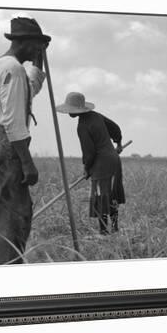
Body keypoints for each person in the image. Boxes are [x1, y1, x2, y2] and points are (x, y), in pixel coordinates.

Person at [0, 17, 50, 264]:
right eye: (35, 45)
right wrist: (27, 163)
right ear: (23, 42)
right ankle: (9, 275)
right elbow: (13, 122)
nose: (36, 50)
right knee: (11, 218)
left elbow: (32, 84)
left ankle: (6, 266)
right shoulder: (13, 69)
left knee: (8, 214)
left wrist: (40, 55)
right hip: (7, 141)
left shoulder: (2, 64)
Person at [56, 92, 126, 235]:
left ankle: (103, 233)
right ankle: (115, 228)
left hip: (102, 165)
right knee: (111, 195)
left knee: (101, 196)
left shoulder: (82, 126)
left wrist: (86, 168)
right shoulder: (96, 116)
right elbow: (115, 128)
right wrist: (118, 143)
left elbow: (89, 153)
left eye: (71, 109)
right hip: (114, 160)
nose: (69, 112)